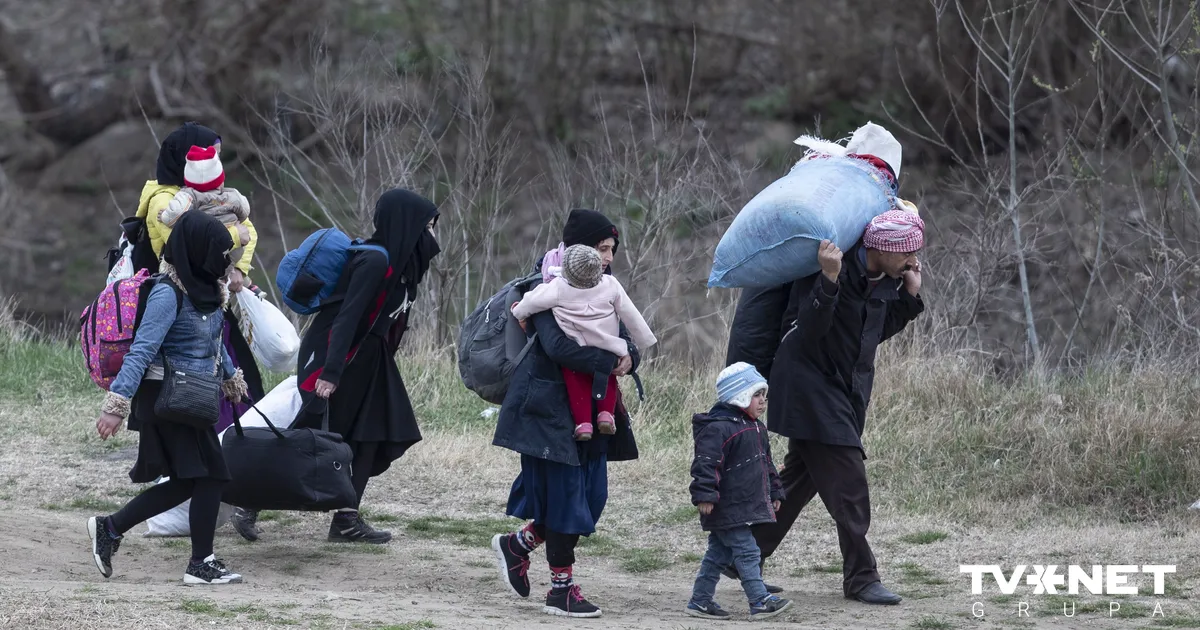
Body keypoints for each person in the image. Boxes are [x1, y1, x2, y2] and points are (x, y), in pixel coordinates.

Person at [724, 203, 927, 606]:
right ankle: (862, 577)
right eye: (906, 252)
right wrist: (830, 281)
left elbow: (871, 333)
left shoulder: (884, 279)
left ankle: (741, 554)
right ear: (882, 248)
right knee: (849, 484)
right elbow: (807, 330)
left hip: (844, 392)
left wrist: (908, 298)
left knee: (800, 481)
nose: (912, 259)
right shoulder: (831, 269)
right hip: (808, 387)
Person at [490, 208, 640, 619]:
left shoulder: (604, 287)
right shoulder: (548, 287)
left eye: (611, 249)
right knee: (567, 501)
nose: (608, 257)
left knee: (592, 499)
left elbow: (624, 334)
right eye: (601, 248)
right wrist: (611, 359)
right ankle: (561, 589)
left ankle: (518, 544)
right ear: (580, 249)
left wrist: (633, 356)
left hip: (594, 409)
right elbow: (556, 347)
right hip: (548, 412)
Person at [87, 211, 247, 586]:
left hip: (192, 396)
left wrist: (231, 380)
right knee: (212, 475)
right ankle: (200, 563)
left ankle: (110, 528)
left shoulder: (209, 290)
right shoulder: (166, 292)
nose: (225, 260)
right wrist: (115, 406)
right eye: (219, 252)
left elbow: (213, 343)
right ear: (197, 251)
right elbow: (142, 351)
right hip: (165, 398)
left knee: (188, 480)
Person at [276, 188, 439, 544]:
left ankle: (347, 518)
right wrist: (331, 373)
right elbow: (346, 319)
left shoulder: (402, 267)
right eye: (426, 228)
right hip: (337, 357)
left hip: (369, 359)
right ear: (406, 226)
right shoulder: (376, 261)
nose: (431, 237)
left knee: (371, 434)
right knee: (315, 438)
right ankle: (249, 500)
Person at [134, 122, 266, 541]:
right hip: (182, 320)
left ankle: (228, 503)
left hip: (211, 307)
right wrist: (234, 234)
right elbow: (189, 240)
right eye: (207, 154)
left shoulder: (209, 195)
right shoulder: (165, 199)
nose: (215, 162)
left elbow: (244, 233)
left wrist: (238, 269)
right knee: (197, 432)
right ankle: (188, 531)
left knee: (239, 397)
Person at [510, 243, 657, 440]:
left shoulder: (558, 288)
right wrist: (644, 339)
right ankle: (606, 415)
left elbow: (532, 302)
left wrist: (518, 311)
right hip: (609, 345)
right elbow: (630, 313)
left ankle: (584, 424)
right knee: (608, 376)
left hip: (577, 345)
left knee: (576, 380)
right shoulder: (610, 284)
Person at [685, 362, 792, 621]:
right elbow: (705, 463)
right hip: (725, 505)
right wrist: (705, 495)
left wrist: (775, 492)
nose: (763, 401)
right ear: (739, 395)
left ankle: (699, 601)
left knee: (718, 555)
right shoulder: (718, 427)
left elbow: (766, 463)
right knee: (748, 551)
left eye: (764, 395)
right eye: (757, 395)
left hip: (743, 504)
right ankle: (759, 600)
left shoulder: (756, 427)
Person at [160, 144, 253, 270]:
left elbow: (174, 215)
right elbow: (245, 210)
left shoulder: (188, 196)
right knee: (225, 268)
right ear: (221, 180)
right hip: (234, 249)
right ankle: (224, 277)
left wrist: (164, 215)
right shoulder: (231, 195)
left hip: (206, 248)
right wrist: (235, 220)